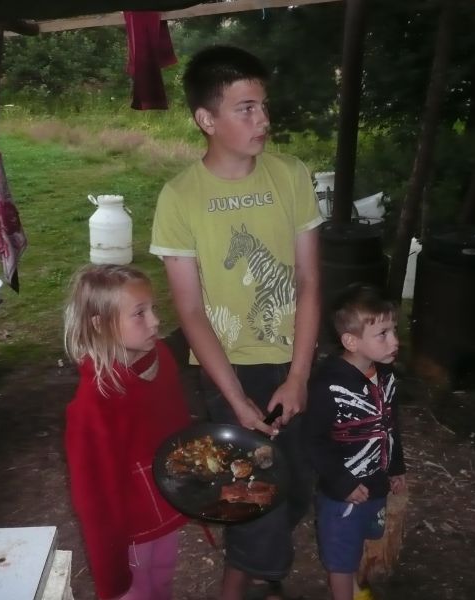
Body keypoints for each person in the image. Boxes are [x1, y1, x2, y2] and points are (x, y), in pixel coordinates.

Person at [149, 45, 323, 600]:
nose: (263, 120)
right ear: (207, 119)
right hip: (229, 369)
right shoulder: (179, 198)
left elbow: (308, 281)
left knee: (296, 485)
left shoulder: (291, 175)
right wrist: (236, 398)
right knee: (254, 495)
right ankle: (242, 585)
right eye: (246, 109)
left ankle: (258, 573)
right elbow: (191, 310)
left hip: (293, 356)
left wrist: (298, 376)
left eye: (263, 106)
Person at [63, 264, 191, 600]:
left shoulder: (161, 359)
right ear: (101, 324)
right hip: (130, 527)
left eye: (153, 309)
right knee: (136, 590)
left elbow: (178, 428)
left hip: (167, 501)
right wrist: (110, 572)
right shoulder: (94, 404)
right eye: (139, 314)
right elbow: (93, 497)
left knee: (163, 576)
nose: (156, 321)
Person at [304, 284, 407, 600]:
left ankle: (353, 587)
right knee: (340, 558)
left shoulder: (386, 375)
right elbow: (313, 440)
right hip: (343, 495)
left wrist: (396, 467)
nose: (395, 341)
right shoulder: (328, 385)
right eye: (383, 334)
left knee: (360, 539)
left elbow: (390, 425)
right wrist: (342, 483)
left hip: (375, 485)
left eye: (394, 330)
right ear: (351, 341)